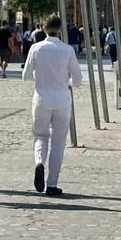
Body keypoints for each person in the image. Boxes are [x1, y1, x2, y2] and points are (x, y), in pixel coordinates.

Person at [24, 15, 82, 196]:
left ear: (43, 28)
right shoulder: (67, 50)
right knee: (58, 142)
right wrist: (67, 83)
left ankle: (39, 161)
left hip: (41, 98)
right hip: (62, 99)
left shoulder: (36, 48)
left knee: (40, 136)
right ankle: (52, 183)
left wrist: (41, 78)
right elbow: (78, 79)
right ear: (60, 28)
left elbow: (26, 75)